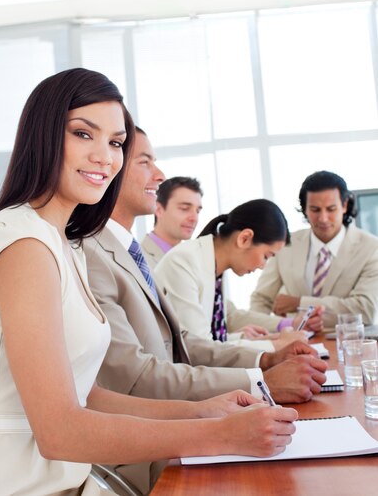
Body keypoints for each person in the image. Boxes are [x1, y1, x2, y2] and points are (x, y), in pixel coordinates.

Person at [0, 69, 299, 496]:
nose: (105, 157)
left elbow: (86, 395)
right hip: (9, 483)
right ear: (44, 135)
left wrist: (204, 412)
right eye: (83, 134)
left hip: (60, 479)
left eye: (115, 142)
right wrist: (221, 434)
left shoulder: (60, 243)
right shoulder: (23, 246)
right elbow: (60, 431)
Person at [83, 127, 326, 492]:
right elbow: (143, 373)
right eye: (144, 161)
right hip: (148, 445)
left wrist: (268, 359)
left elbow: (184, 343)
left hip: (175, 421)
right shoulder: (96, 253)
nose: (160, 175)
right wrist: (260, 379)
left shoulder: (134, 253)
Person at [154, 201, 324, 347]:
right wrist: (274, 345)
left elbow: (218, 330)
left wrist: (252, 340)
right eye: (266, 256)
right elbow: (199, 350)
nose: (262, 266)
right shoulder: (185, 262)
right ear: (244, 238)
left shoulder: (212, 264)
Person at [250, 170, 378, 330]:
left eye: (331, 209)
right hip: (295, 342)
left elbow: (365, 310)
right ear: (304, 209)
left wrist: (299, 303)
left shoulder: (371, 248)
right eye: (315, 210)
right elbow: (261, 299)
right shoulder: (286, 244)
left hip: (347, 343)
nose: (323, 218)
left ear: (344, 206)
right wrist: (258, 334)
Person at [140, 176, 203, 270]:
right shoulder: (138, 260)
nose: (194, 218)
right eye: (184, 208)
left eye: (197, 211)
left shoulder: (196, 259)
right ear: (159, 209)